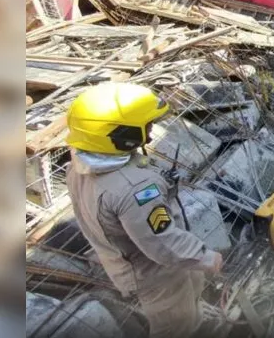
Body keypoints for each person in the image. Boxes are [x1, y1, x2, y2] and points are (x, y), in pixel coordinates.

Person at [65, 83, 223, 338]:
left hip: (130, 259)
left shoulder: (80, 166)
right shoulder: (135, 189)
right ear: (122, 135)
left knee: (192, 285)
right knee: (174, 325)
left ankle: (196, 312)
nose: (150, 132)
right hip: (156, 274)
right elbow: (163, 245)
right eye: (146, 126)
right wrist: (205, 256)